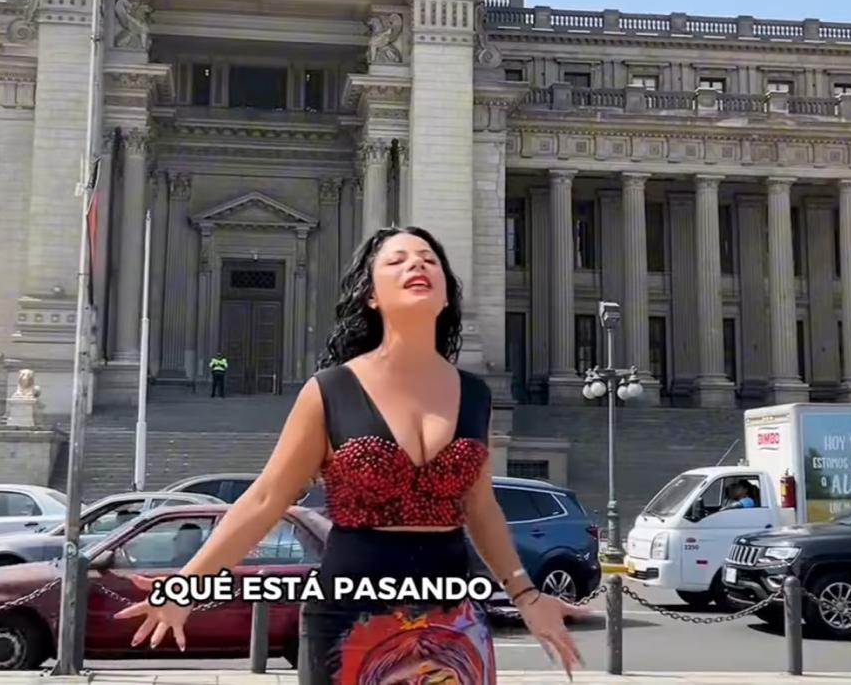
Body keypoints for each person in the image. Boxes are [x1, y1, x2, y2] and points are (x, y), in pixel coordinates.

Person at [114, 226, 586, 682]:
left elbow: (481, 509)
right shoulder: (330, 391)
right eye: (397, 261)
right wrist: (188, 585)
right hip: (350, 621)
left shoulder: (476, 395)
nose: (417, 266)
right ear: (371, 296)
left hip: (454, 620)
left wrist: (526, 595)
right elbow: (265, 500)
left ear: (445, 296)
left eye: (429, 261)